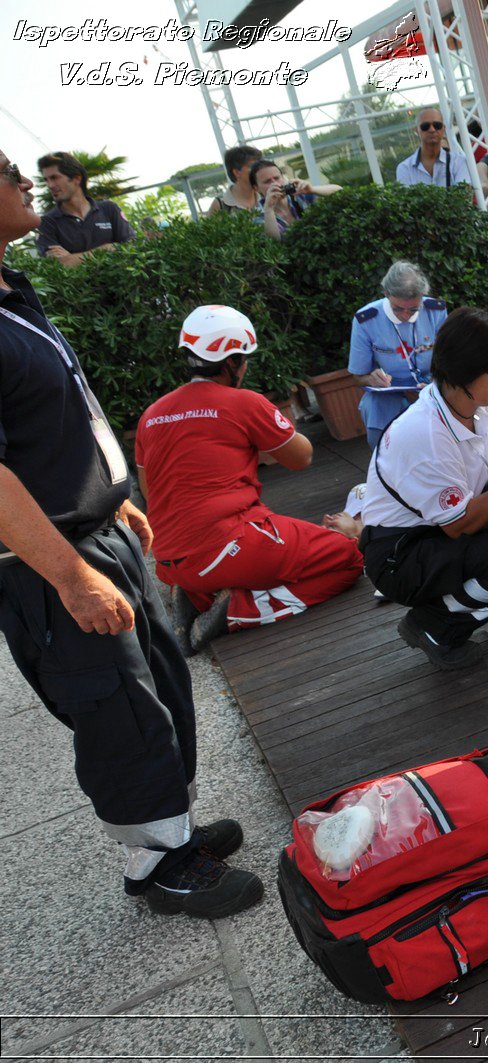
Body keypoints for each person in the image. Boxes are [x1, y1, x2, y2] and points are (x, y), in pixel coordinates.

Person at [0, 149, 263, 918]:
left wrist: (115, 494)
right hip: (50, 555)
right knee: (116, 703)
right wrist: (71, 576)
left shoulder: (11, 292)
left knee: (158, 680)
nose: (23, 183)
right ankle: (158, 862)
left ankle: (171, 830)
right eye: (7, 172)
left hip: (94, 526)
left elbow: (59, 413)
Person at [136, 305, 364, 654]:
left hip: (169, 558)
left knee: (274, 543)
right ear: (232, 363)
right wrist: (267, 416)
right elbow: (302, 457)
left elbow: (150, 491)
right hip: (229, 544)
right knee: (348, 558)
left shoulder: (151, 415)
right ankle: (238, 611)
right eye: (244, 359)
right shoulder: (242, 402)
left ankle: (197, 593)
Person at [357, 308, 488, 671]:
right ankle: (434, 625)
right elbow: (459, 525)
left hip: (439, 529)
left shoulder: (481, 400)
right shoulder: (425, 433)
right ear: (463, 370)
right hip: (400, 554)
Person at [348, 260, 450, 447]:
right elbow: (358, 376)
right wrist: (371, 379)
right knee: (374, 406)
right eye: (398, 308)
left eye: (413, 309)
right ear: (386, 294)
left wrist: (437, 380)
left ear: (422, 297)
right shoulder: (366, 319)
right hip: (390, 391)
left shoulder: (436, 311)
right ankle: (385, 462)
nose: (405, 315)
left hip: (432, 385)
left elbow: (450, 357)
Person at [34, 151, 135, 267]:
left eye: (54, 178)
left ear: (77, 179)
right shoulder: (46, 223)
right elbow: (59, 266)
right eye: (46, 180)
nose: (50, 185)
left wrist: (73, 258)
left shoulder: (109, 209)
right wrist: (107, 248)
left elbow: (130, 248)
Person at [251, 160, 338, 239]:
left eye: (277, 178)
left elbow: (340, 191)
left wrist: (312, 189)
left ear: (283, 177)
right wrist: (269, 209)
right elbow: (274, 242)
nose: (275, 184)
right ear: (256, 188)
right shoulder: (258, 215)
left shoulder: (300, 195)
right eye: (267, 181)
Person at [395, 108, 473, 188]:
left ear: (443, 129)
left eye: (437, 126)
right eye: (425, 126)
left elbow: (463, 196)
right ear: (416, 130)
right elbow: (406, 200)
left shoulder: (458, 161)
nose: (432, 130)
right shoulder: (405, 168)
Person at [208, 144, 263, 216]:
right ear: (237, 172)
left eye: (260, 166)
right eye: (253, 166)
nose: (259, 170)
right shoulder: (221, 205)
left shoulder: (265, 196)